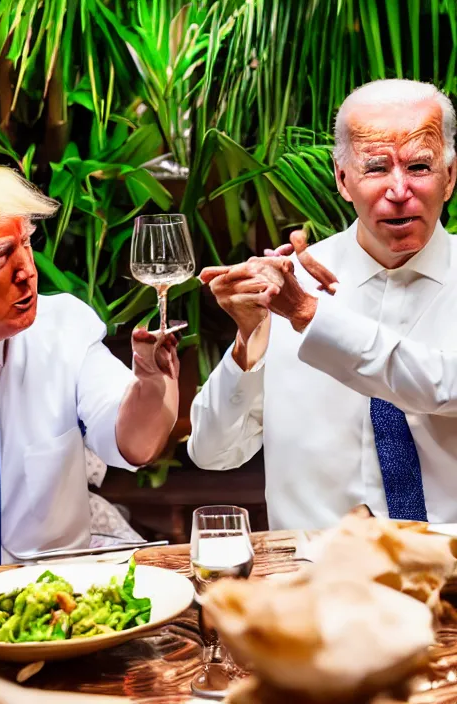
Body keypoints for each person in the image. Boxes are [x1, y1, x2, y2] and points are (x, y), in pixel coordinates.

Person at [188, 78, 457, 529]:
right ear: (342, 179)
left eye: (418, 167)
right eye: (375, 168)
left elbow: (441, 386)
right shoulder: (285, 284)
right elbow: (213, 453)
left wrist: (310, 316)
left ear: (449, 177)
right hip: (312, 578)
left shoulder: (297, 301)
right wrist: (249, 337)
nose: (398, 189)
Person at [0, 162, 180, 568]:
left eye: (27, 244)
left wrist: (151, 384)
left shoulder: (65, 329)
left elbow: (135, 444)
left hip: (53, 608)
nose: (28, 271)